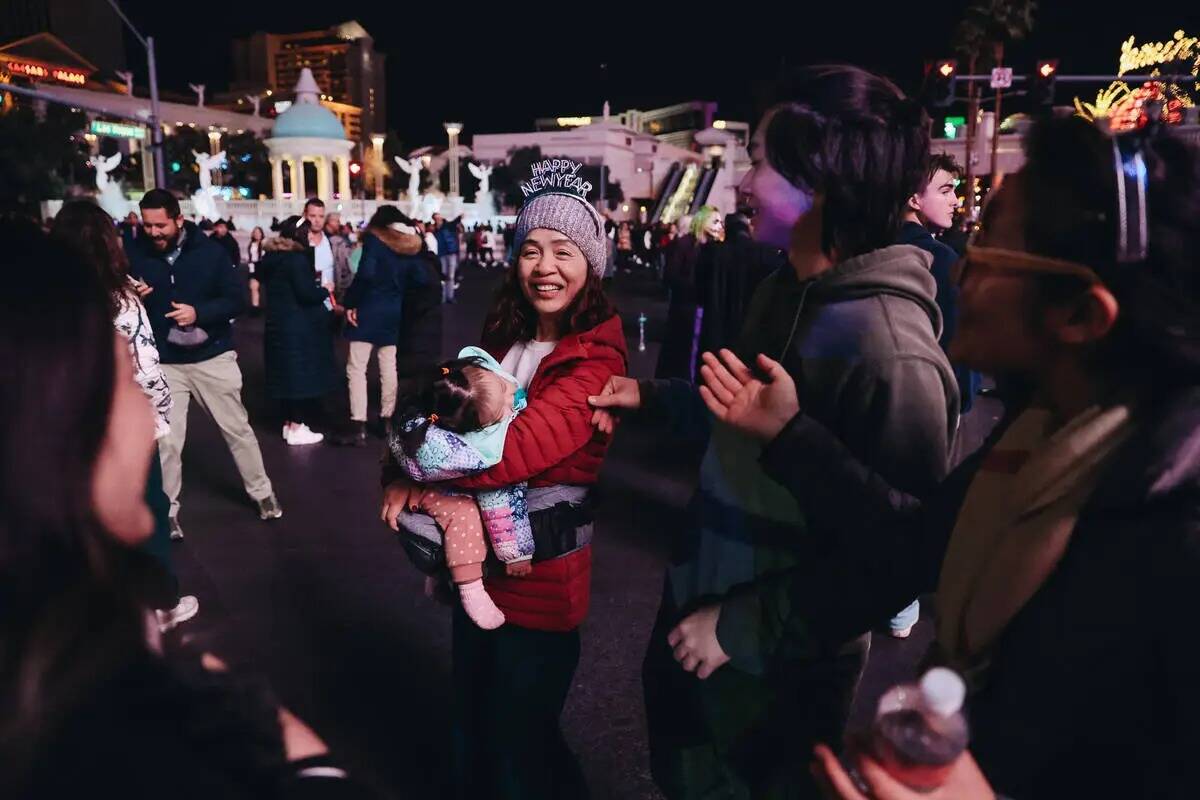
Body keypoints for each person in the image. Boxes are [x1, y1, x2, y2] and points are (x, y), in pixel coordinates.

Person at [696, 116, 1200, 800]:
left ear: (1082, 315)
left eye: (992, 244)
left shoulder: (1175, 539)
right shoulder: (1043, 432)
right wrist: (789, 434)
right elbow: (920, 538)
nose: (960, 262)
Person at [589, 65, 958, 799]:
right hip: (702, 620)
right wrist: (655, 398)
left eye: (760, 162)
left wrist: (740, 629)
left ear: (820, 185)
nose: (743, 183)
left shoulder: (892, 353)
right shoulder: (781, 287)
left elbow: (901, 555)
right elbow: (740, 419)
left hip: (775, 681)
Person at [0, 219, 378, 799]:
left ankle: (262, 493)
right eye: (125, 378)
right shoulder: (96, 704)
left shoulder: (72, 636)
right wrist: (302, 762)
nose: (143, 405)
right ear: (50, 424)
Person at [381, 164, 627, 799]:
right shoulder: (507, 336)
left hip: (540, 583)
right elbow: (444, 405)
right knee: (475, 722)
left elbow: (507, 456)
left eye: (565, 251)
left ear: (591, 264)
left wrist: (410, 461)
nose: (545, 266)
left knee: (521, 745)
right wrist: (398, 470)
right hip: (482, 572)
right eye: (533, 249)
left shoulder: (593, 360)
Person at [49, 200, 200, 632]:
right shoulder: (120, 299)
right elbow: (145, 368)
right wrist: (159, 417)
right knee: (148, 507)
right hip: (122, 421)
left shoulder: (47, 299)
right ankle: (157, 604)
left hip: (69, 426)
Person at [126, 189, 282, 536]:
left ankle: (263, 494)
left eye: (161, 225)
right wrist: (135, 296)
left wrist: (200, 312)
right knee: (167, 440)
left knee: (237, 430)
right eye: (147, 225)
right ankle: (168, 512)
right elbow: (123, 301)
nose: (153, 233)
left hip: (212, 356)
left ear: (179, 220)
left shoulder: (210, 253)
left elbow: (236, 300)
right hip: (165, 362)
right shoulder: (135, 254)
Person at [387, 351, 533, 629]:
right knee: (466, 517)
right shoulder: (473, 452)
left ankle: (442, 575)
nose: (510, 397)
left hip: (423, 487)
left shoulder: (457, 390)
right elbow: (498, 500)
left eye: (502, 387)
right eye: (501, 411)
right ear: (473, 431)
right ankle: (470, 587)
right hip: (437, 495)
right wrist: (515, 553)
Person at [335, 206, 434, 446]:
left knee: (357, 368)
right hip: (393, 310)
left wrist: (350, 302)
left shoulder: (375, 240)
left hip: (368, 308)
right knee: (388, 366)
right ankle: (387, 419)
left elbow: (366, 273)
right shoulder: (410, 245)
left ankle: (358, 424)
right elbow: (421, 278)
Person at [898, 153, 981, 416]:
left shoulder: (873, 248)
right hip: (935, 402)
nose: (955, 202)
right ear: (914, 199)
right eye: (945, 191)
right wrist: (963, 399)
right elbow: (956, 337)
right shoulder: (940, 258)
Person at [258, 216, 338, 446]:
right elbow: (305, 294)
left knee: (285, 376)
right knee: (298, 377)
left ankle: (288, 423)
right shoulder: (295, 260)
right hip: (296, 326)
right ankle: (297, 425)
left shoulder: (272, 257)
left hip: (277, 323)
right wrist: (324, 290)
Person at [694, 211, 787, 367]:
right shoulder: (765, 253)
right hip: (751, 329)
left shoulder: (712, 252)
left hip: (715, 327)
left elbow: (699, 290)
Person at [655, 206, 721, 382]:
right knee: (682, 356)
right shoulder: (684, 244)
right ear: (702, 220)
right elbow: (670, 276)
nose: (719, 225)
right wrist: (695, 288)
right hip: (685, 309)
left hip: (703, 310)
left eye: (720, 222)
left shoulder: (717, 249)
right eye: (715, 221)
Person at [299, 198, 352, 297]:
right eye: (312, 216)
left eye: (321, 216)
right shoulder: (297, 245)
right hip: (305, 305)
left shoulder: (336, 244)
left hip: (331, 305)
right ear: (305, 216)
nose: (317, 220)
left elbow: (346, 274)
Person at [433, 212, 463, 302]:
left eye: (439, 218)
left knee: (450, 276)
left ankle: (449, 296)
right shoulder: (434, 228)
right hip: (442, 254)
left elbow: (454, 222)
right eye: (436, 218)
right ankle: (443, 297)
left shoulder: (447, 226)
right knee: (443, 276)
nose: (438, 220)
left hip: (451, 253)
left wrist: (459, 217)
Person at [247, 226, 266, 312]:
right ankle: (255, 307)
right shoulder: (251, 244)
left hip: (263, 265)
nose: (257, 234)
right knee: (253, 287)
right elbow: (251, 258)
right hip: (254, 266)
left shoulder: (265, 243)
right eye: (255, 233)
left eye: (258, 232)